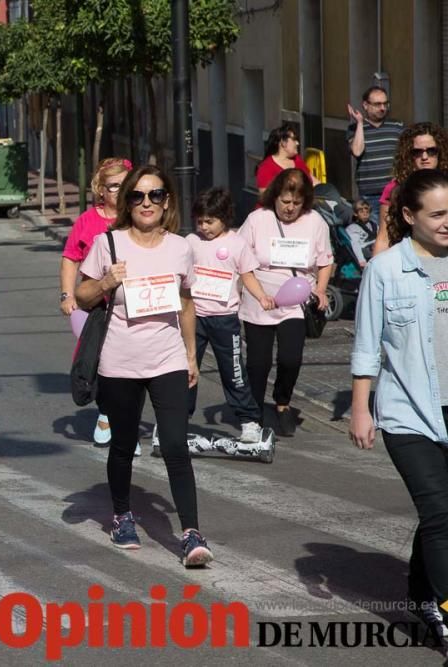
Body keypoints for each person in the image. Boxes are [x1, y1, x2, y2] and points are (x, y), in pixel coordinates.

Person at [74, 165, 214, 567]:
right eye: (137, 196)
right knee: (122, 444)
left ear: (166, 201)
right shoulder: (109, 244)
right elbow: (81, 295)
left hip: (167, 358)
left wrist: (190, 355)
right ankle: (121, 517)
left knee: (174, 444)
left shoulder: (180, 247)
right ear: (126, 202)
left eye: (154, 196)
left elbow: (186, 302)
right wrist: (104, 283)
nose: (146, 203)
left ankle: (190, 533)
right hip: (120, 361)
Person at [350, 169, 448, 640]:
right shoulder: (387, 270)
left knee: (442, 515)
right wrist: (360, 408)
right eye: (438, 214)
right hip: (408, 412)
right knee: (441, 513)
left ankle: (421, 592)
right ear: (409, 216)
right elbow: (367, 344)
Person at [238, 168, 334, 437]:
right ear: (275, 197)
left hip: (295, 302)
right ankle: (253, 412)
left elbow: (325, 261)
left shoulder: (315, 222)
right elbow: (241, 260)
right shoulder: (258, 219)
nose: (290, 208)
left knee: (290, 358)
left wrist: (322, 290)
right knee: (258, 362)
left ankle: (282, 402)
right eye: (285, 201)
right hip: (260, 299)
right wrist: (255, 293)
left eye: (296, 203)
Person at [185, 188, 274, 443]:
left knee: (233, 370)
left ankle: (249, 421)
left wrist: (262, 296)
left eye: (210, 221)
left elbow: (247, 275)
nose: (204, 227)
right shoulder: (191, 242)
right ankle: (178, 418)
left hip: (224, 319)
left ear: (224, 218)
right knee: (186, 369)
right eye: (200, 221)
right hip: (194, 318)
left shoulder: (237, 244)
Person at [59, 156, 135, 447]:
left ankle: (126, 421)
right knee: (103, 361)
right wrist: (67, 295)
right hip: (99, 304)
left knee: (134, 364)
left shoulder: (138, 214)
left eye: (125, 184)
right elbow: (70, 259)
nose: (121, 190)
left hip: (135, 303)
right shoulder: (88, 221)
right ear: (100, 190)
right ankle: (106, 413)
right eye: (113, 186)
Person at [372, 122, 448, 255]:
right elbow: (384, 238)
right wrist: (374, 270)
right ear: (408, 154)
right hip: (407, 260)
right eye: (417, 152)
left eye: (431, 151)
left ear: (440, 152)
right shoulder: (395, 189)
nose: (424, 157)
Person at [347, 86, 403, 225]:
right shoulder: (354, 129)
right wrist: (359, 123)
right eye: (377, 104)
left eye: (385, 103)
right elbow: (357, 151)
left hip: (395, 194)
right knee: (375, 239)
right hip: (370, 198)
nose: (383, 108)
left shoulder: (397, 126)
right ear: (365, 105)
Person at [256, 123, 317, 193]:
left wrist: (327, 192)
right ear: (283, 143)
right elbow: (265, 198)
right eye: (294, 139)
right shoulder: (266, 167)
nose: (297, 143)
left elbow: (313, 181)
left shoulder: (297, 159)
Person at [347, 199, 377, 268]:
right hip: (365, 250)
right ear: (355, 213)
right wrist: (361, 260)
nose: (365, 213)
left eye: (367, 211)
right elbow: (355, 244)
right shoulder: (352, 228)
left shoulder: (374, 225)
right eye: (361, 211)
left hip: (376, 249)